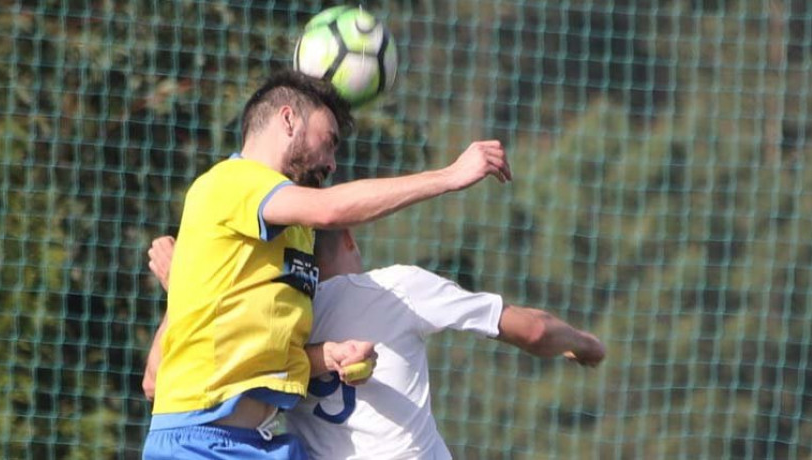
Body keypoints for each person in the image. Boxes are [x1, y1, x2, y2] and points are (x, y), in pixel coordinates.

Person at [143, 70, 512, 460]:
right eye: (329, 141)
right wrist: (449, 176)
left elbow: (264, 358)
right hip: (198, 444)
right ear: (288, 119)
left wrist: (330, 356)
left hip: (260, 444)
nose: (333, 163)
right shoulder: (232, 181)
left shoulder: (292, 231)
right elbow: (331, 208)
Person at [144, 231, 606, 459]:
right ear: (347, 238)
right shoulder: (396, 287)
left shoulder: (273, 323)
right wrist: (582, 343)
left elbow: (156, 382)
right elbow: (533, 330)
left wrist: (185, 291)